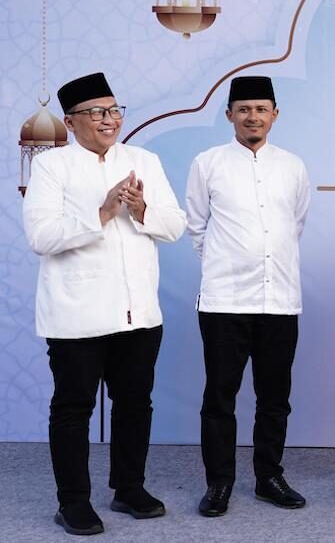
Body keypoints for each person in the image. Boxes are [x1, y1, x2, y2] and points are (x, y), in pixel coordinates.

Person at [23, 72, 186, 536]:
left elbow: (175, 225)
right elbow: (41, 236)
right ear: (71, 121)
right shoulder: (51, 167)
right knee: (73, 409)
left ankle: (129, 488)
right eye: (97, 112)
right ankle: (73, 502)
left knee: (134, 404)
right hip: (76, 312)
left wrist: (140, 209)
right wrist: (104, 211)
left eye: (114, 110)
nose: (109, 119)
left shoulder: (143, 161)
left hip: (138, 311)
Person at [186, 76, 312, 516]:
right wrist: (228, 263)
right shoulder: (207, 163)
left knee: (274, 397)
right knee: (220, 397)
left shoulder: (293, 166)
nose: (252, 117)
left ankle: (268, 478)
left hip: (279, 300)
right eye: (243, 109)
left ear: (275, 115)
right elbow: (197, 227)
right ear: (229, 116)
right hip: (224, 301)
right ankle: (219, 483)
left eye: (260, 109)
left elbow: (295, 223)